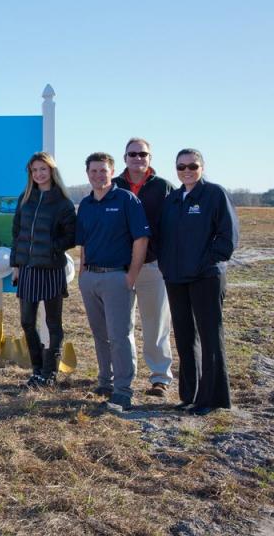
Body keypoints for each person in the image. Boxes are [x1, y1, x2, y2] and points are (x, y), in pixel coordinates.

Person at [159, 148, 239, 416]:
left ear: (202, 167)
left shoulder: (214, 194)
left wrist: (209, 261)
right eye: (181, 167)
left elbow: (228, 235)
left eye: (192, 166)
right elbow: (164, 237)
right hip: (176, 278)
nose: (187, 171)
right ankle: (189, 395)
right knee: (184, 336)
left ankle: (212, 398)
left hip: (206, 277)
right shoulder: (172, 200)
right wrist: (166, 264)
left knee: (210, 337)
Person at [76, 152, 150, 412]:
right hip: (90, 278)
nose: (98, 175)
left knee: (120, 335)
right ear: (87, 174)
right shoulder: (85, 204)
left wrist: (131, 275)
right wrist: (82, 273)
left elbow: (140, 240)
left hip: (117, 276)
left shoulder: (126, 200)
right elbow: (84, 242)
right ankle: (105, 381)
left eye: (103, 170)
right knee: (99, 335)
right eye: (94, 171)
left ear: (112, 172)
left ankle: (123, 390)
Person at [112, 137, 175, 398]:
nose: (138, 158)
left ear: (150, 158)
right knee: (120, 326)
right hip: (118, 267)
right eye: (132, 154)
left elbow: (174, 227)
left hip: (152, 266)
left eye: (143, 154)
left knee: (155, 324)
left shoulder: (163, 188)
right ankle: (121, 375)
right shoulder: (113, 186)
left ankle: (160, 377)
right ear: (125, 157)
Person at [9, 152, 76, 388]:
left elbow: (71, 236)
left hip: (50, 270)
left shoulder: (63, 203)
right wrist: (16, 264)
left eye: (43, 169)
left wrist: (51, 248)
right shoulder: (25, 198)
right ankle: (37, 369)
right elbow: (17, 233)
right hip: (27, 269)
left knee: (53, 324)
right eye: (34, 170)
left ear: (51, 171)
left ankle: (49, 373)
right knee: (27, 322)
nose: (38, 174)